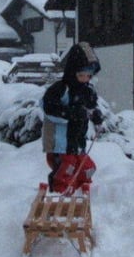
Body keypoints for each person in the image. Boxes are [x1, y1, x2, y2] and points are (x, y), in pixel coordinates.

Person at [41, 42, 103, 191]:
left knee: (87, 168)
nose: (85, 79)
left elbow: (91, 107)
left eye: (89, 75)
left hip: (77, 142)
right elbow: (49, 108)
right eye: (81, 75)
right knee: (67, 168)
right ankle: (58, 191)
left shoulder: (88, 90)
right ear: (71, 72)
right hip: (60, 143)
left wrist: (96, 116)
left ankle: (80, 189)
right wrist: (72, 113)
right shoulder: (61, 89)